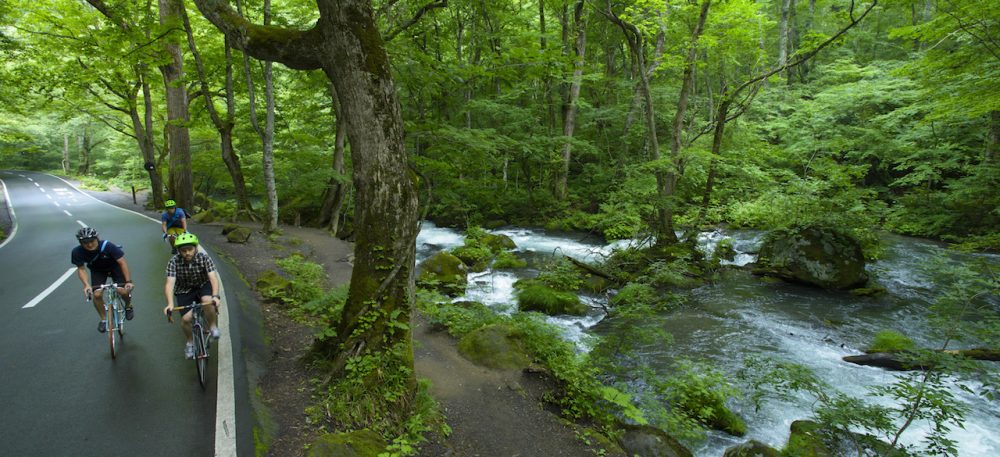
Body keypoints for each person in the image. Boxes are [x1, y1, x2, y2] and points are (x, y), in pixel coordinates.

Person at [162, 233, 222, 359]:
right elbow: (169, 284)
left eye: (190, 249)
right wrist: (170, 304)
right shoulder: (173, 262)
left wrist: (215, 296)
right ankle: (190, 342)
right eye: (183, 251)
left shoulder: (204, 258)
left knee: (207, 300)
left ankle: (212, 326)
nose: (187, 253)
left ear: (195, 248)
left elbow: (213, 278)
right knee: (185, 320)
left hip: (203, 285)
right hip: (184, 290)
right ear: (178, 251)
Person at [71, 227, 134, 332]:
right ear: (80, 242)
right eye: (85, 242)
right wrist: (86, 285)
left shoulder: (108, 246)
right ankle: (104, 319)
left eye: (92, 241)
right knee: (96, 294)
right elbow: (81, 269)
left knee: (122, 290)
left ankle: (128, 306)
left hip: (115, 267)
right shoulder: (77, 252)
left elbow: (122, 262)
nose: (89, 245)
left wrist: (128, 282)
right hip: (97, 270)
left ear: (97, 238)